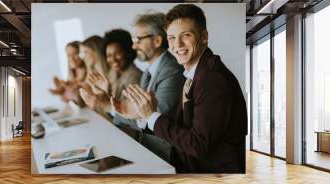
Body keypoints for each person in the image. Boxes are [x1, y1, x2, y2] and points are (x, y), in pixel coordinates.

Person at [125, 4, 248, 173]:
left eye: (186, 35)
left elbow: (197, 145)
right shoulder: (196, 71)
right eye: (172, 38)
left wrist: (151, 116)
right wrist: (146, 115)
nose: (178, 44)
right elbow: (183, 128)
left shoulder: (212, 79)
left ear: (204, 36)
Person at [110, 12, 185, 162]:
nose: (133, 45)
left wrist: (132, 112)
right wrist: (133, 111)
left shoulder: (172, 70)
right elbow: (143, 112)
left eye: (138, 39)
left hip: (165, 154)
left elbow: (158, 116)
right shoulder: (148, 71)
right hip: (147, 146)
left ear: (157, 41)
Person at [80, 29, 141, 117]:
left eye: (118, 53)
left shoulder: (134, 76)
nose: (113, 59)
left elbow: (127, 116)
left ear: (127, 52)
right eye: (109, 55)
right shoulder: (117, 74)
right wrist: (105, 93)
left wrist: (104, 99)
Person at [49, 41, 87, 106]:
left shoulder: (90, 74)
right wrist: (61, 90)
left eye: (75, 53)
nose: (71, 58)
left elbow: (82, 102)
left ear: (82, 53)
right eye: (69, 55)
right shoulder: (73, 74)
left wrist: (70, 89)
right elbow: (66, 100)